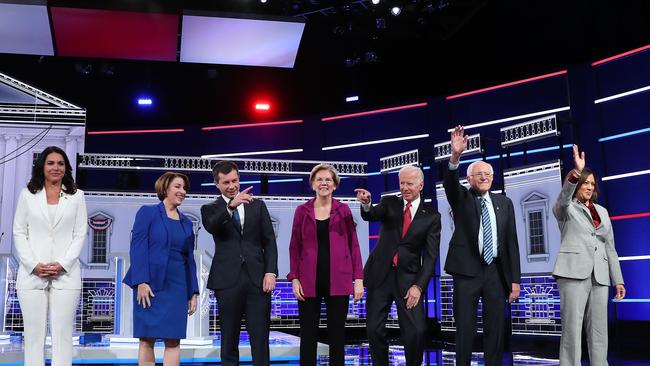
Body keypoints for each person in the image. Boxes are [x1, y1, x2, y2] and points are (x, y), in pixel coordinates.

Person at [443, 126, 521, 366]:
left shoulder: (504, 203)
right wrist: (455, 156)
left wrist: (515, 280)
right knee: (465, 328)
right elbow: (449, 183)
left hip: (495, 272)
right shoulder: (462, 198)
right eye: (479, 174)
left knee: (495, 329)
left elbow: (511, 242)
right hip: (467, 272)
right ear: (469, 179)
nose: (485, 177)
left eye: (488, 174)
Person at [354, 165, 440, 366]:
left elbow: (430, 257)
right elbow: (371, 214)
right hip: (380, 276)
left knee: (417, 331)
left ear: (421, 184)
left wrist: (418, 286)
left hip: (409, 280)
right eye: (402, 183)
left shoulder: (431, 216)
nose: (405, 187)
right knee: (374, 330)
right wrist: (366, 204)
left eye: (409, 183)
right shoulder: (390, 203)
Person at [13, 146, 88, 366]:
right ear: (42, 167)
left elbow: (79, 233)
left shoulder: (77, 196)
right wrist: (33, 265)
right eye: (51, 163)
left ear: (66, 168)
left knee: (63, 336)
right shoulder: (27, 195)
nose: (56, 167)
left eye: (60, 163)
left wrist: (63, 265)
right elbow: (19, 231)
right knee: (33, 337)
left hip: (65, 276)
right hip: (32, 275)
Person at [552, 144, 625, 366]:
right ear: (577, 184)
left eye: (593, 184)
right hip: (573, 273)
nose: (590, 187)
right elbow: (563, 199)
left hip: (600, 276)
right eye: (586, 183)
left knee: (599, 332)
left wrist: (618, 280)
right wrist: (575, 173)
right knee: (572, 331)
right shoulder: (566, 208)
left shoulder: (601, 211)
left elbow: (610, 247)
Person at [201, 161, 278, 366]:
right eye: (226, 182)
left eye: (235, 180)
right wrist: (231, 206)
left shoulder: (258, 205)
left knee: (260, 336)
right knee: (229, 336)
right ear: (217, 183)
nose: (232, 185)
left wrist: (271, 272)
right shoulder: (210, 209)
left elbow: (269, 241)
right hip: (227, 281)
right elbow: (211, 226)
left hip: (257, 279)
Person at [287, 164, 364, 366]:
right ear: (313, 184)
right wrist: (294, 278)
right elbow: (294, 246)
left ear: (335, 185)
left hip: (339, 279)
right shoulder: (301, 211)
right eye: (319, 179)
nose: (323, 183)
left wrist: (358, 279)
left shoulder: (344, 210)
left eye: (328, 179)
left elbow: (353, 246)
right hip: (308, 281)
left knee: (337, 336)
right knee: (308, 335)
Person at [123, 172, 200, 366]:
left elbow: (189, 258)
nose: (182, 191)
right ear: (165, 188)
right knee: (147, 338)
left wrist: (193, 292)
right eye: (178, 186)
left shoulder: (187, 222)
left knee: (173, 340)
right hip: (150, 284)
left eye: (184, 188)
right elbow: (137, 247)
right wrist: (141, 281)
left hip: (177, 286)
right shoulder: (147, 212)